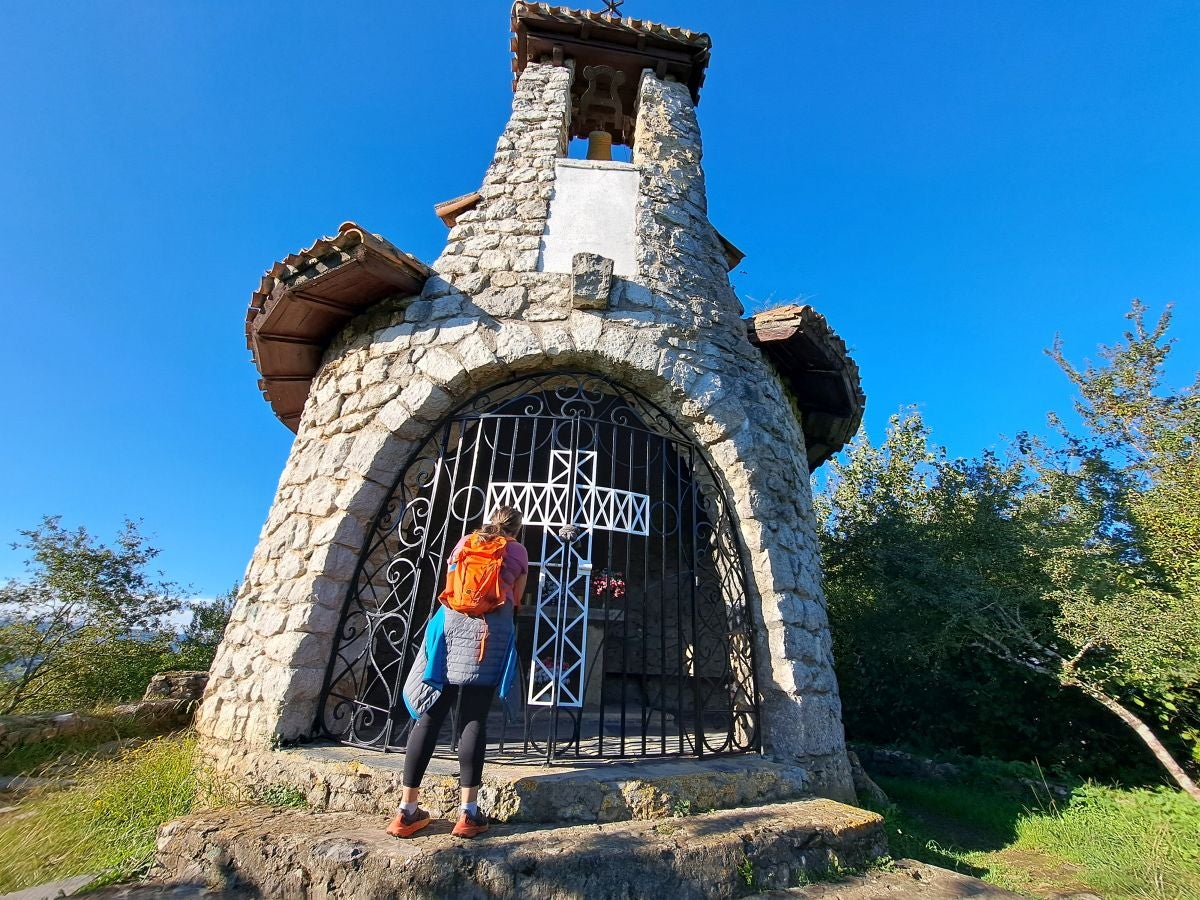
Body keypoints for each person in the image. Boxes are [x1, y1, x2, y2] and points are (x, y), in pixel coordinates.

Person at [386, 505, 529, 839]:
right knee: (473, 718)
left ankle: (406, 811)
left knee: (430, 715)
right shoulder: (518, 552)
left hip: (450, 630)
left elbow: (451, 584)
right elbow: (517, 599)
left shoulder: (466, 541)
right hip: (488, 637)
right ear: (517, 528)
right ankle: (468, 813)